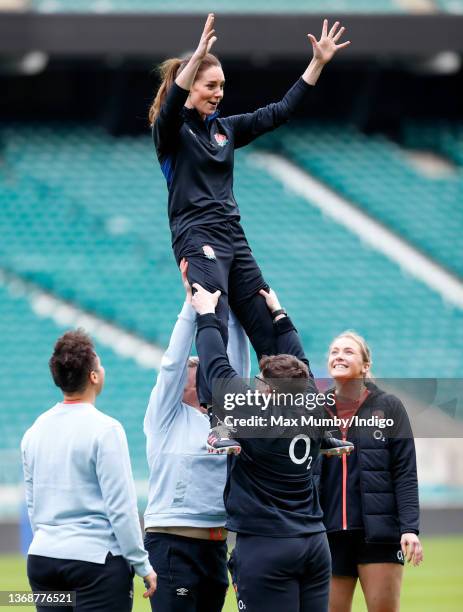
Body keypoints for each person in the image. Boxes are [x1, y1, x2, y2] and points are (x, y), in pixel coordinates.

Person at [149, 13, 351, 451]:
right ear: (189, 86)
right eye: (210, 85)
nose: (218, 94)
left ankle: (315, 423)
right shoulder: (171, 132)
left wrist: (316, 64)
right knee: (213, 319)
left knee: (270, 325)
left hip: (234, 241)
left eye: (222, 85)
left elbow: (277, 113)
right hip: (196, 237)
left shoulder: (225, 129)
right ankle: (222, 423)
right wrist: (196, 56)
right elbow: (169, 109)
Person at [189, 282, 353, 612]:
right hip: (314, 542)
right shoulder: (313, 407)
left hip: (266, 545)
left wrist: (207, 314)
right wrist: (279, 315)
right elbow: (300, 361)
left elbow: (216, 364)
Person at [21, 330, 157, 612]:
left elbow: (33, 503)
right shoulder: (106, 429)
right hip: (94, 562)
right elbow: (121, 508)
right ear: (94, 376)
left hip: (43, 558)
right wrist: (142, 564)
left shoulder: (34, 430)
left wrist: (50, 541)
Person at [143, 259, 250, 612]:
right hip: (173, 546)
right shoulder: (166, 419)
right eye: (195, 368)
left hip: (215, 547)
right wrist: (192, 302)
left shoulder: (224, 420)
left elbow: (236, 368)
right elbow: (172, 363)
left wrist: (230, 306)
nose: (199, 369)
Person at [316, 331, 423, 612]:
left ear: (365, 365)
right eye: (334, 351)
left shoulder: (389, 406)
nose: (339, 355)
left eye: (349, 351)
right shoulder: (315, 408)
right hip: (327, 534)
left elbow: (405, 472)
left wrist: (409, 528)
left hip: (378, 534)